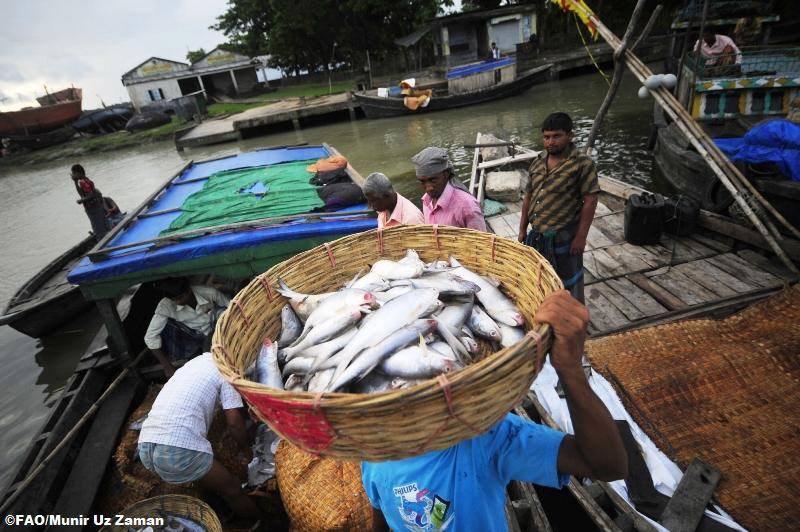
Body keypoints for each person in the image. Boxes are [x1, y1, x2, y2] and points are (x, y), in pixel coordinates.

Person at [362, 291, 627, 530]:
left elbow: (607, 465)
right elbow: (382, 513)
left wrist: (569, 369)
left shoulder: (488, 438)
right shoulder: (374, 453)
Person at [137, 353, 260, 524]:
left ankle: (222, 510)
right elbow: (234, 422)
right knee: (232, 488)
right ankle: (256, 522)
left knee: (206, 476)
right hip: (176, 450)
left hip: (146, 444)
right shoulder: (227, 370)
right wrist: (247, 450)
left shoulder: (197, 362)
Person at [518, 113, 599, 304]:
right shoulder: (538, 161)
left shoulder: (582, 164)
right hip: (537, 235)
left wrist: (581, 237)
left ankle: (573, 315)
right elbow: (528, 196)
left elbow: (591, 200)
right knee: (539, 280)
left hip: (564, 235)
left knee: (568, 283)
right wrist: (522, 230)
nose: (550, 142)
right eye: (546, 137)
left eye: (556, 136)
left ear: (569, 136)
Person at [144, 277, 231, 378]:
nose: (177, 302)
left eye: (180, 297)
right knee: (167, 327)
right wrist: (167, 366)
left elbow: (232, 307)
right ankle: (193, 353)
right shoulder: (165, 306)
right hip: (192, 335)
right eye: (174, 300)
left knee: (223, 312)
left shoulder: (209, 293)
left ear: (189, 291)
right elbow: (150, 337)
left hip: (216, 326)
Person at [412, 147, 487, 232]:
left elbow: (481, 239)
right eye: (422, 182)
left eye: (433, 180)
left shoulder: (467, 206)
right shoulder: (426, 201)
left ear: (446, 174)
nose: (429, 188)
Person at [71, 164, 109, 239]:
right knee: (102, 226)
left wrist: (81, 200)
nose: (72, 175)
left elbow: (91, 195)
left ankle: (104, 243)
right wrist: (75, 182)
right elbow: (82, 194)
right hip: (95, 207)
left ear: (78, 172)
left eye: (73, 173)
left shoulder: (83, 182)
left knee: (98, 229)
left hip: (93, 208)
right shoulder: (85, 180)